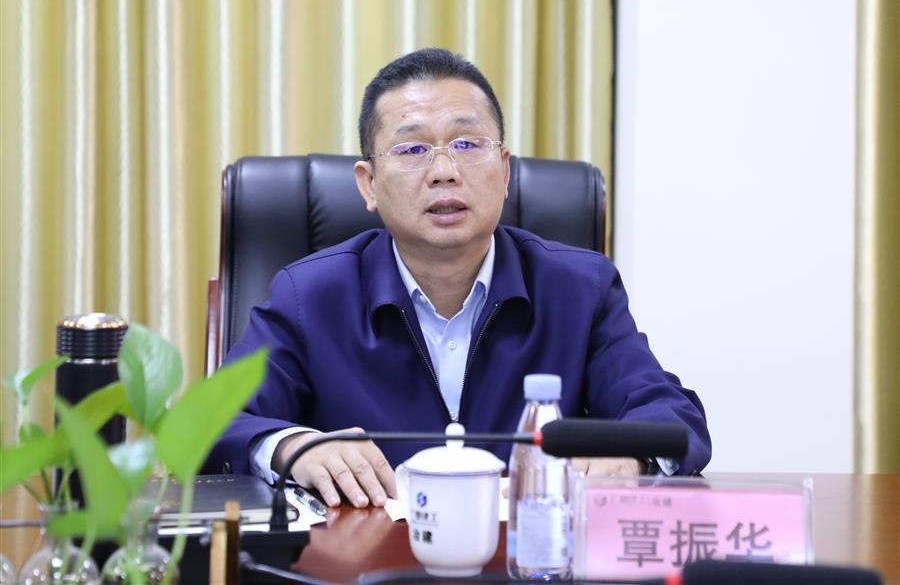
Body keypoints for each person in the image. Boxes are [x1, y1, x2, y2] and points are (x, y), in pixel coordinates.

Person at [207, 48, 711, 509]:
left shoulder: (579, 288)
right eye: (412, 150)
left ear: (505, 171)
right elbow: (214, 424)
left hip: (529, 557)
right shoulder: (310, 296)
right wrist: (294, 447)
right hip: (363, 559)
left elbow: (672, 417)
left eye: (468, 144)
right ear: (369, 184)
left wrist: (630, 458)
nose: (444, 171)